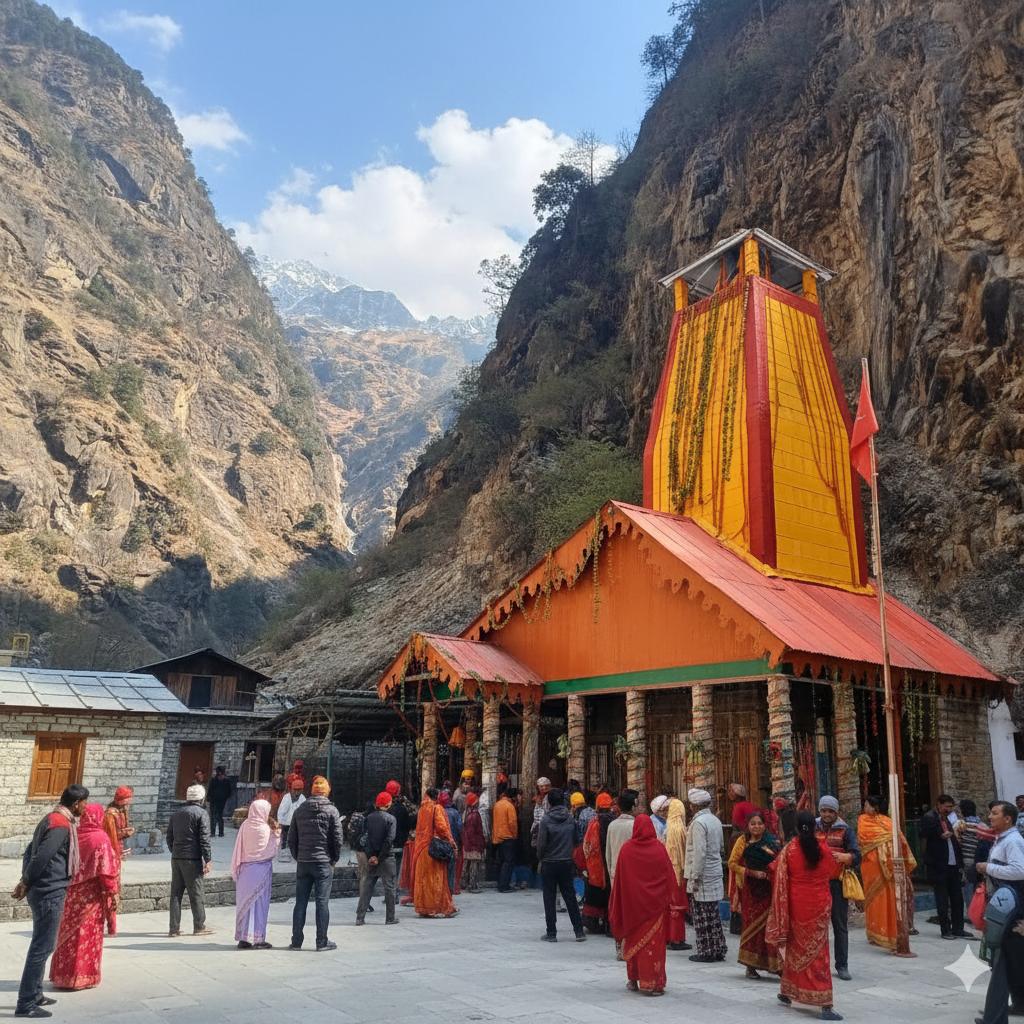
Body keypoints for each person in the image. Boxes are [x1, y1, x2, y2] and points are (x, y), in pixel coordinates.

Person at [13, 784, 89, 1019]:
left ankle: (35, 993)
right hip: (49, 890)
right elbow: (41, 857)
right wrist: (26, 880)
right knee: (41, 946)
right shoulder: (61, 825)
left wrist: (26, 880)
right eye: (84, 803)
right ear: (76, 804)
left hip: (44, 888)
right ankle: (26, 1003)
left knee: (43, 944)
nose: (85, 808)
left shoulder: (52, 818)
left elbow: (29, 851)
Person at [767, 811, 843, 1021]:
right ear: (815, 826)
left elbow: (774, 869)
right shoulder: (823, 848)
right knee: (819, 952)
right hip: (819, 903)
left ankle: (787, 991)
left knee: (793, 947)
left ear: (796, 827)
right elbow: (832, 871)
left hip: (796, 902)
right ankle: (824, 1002)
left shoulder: (789, 850)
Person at [49, 803, 118, 991]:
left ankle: (61, 975)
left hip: (71, 894)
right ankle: (83, 976)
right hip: (91, 896)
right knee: (87, 935)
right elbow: (106, 871)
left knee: (67, 934)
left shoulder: (74, 834)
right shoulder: (101, 838)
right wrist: (112, 891)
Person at [609, 815, 677, 996]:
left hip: (632, 907)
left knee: (632, 941)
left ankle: (633, 980)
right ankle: (652, 983)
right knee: (653, 945)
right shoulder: (659, 849)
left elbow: (620, 882)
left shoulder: (626, 850)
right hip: (655, 907)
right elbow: (669, 876)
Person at [975, 800, 1024, 1024]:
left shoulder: (1013, 841)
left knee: (1003, 960)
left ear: (1008, 819)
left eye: (995, 814)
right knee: (1008, 959)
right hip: (1005, 905)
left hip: (1012, 908)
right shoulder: (1001, 839)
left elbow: (1019, 871)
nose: (990, 817)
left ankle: (995, 1017)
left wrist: (988, 867)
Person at [288, 775, 342, 951]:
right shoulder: (332, 811)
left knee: (300, 902)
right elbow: (337, 839)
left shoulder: (300, 810)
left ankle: (296, 941)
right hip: (323, 862)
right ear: (327, 791)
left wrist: (299, 856)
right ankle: (321, 941)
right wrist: (333, 859)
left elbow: (291, 839)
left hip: (303, 862)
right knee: (322, 902)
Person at [857, 794, 917, 952]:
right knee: (873, 900)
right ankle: (874, 933)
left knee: (890, 899)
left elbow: (899, 839)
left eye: (867, 805)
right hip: (872, 867)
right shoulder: (863, 820)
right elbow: (864, 839)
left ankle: (891, 933)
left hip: (890, 867)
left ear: (873, 807)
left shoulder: (887, 821)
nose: (865, 808)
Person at [728, 811, 781, 977]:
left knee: (770, 927)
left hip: (769, 888)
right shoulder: (742, 841)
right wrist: (750, 872)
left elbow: (779, 861)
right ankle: (750, 965)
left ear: (764, 825)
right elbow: (732, 863)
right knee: (752, 927)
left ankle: (776, 965)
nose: (756, 826)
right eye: (753, 824)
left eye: (759, 823)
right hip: (750, 890)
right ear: (748, 826)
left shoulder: (771, 843)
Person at [815, 796, 859, 979]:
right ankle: (818, 965)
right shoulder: (813, 827)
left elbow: (856, 854)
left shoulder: (846, 830)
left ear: (836, 812)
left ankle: (842, 965)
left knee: (839, 925)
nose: (826, 814)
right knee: (817, 926)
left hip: (837, 883)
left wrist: (847, 858)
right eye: (823, 811)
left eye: (830, 811)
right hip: (816, 884)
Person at [920, 793, 974, 940]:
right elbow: (924, 837)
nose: (949, 809)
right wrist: (939, 837)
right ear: (939, 804)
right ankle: (946, 929)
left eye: (951, 807)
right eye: (947, 806)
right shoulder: (930, 817)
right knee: (942, 898)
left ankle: (958, 928)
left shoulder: (948, 818)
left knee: (957, 898)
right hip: (939, 864)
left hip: (952, 863)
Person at [537, 788, 586, 942]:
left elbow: (541, 844)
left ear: (550, 802)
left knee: (549, 897)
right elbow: (577, 839)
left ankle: (551, 933)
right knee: (570, 897)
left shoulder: (545, 820)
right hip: (566, 862)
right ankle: (579, 931)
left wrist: (541, 858)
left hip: (550, 863)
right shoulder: (571, 818)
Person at [685, 788, 727, 963]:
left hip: (702, 875)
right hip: (714, 872)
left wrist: (695, 877)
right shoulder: (715, 820)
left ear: (694, 805)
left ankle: (707, 950)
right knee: (713, 914)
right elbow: (721, 847)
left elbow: (699, 853)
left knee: (702, 915)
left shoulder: (699, 823)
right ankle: (718, 947)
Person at [231, 798, 280, 949]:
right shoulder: (267, 829)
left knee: (245, 904)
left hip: (245, 871)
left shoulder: (245, 826)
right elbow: (273, 851)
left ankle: (243, 939)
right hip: (261, 871)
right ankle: (258, 939)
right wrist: (277, 835)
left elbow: (239, 846)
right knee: (259, 905)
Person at [166, 784, 213, 938]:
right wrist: (208, 859)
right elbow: (204, 838)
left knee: (176, 894)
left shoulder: (176, 814)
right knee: (196, 893)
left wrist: (176, 851)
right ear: (202, 798)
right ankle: (199, 926)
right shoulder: (202, 813)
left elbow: (169, 838)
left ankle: (174, 929)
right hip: (192, 859)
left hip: (177, 857)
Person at [413, 787, 457, 917]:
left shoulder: (421, 809)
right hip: (433, 849)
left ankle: (423, 908)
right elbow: (442, 827)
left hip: (421, 849)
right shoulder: (436, 808)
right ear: (436, 797)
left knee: (423, 880)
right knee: (436, 880)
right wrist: (451, 841)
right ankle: (436, 907)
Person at [357, 792, 398, 925]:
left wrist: (371, 856)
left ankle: (360, 917)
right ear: (388, 804)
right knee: (390, 888)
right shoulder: (391, 819)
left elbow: (365, 839)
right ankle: (390, 918)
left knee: (367, 887)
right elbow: (389, 840)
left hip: (372, 858)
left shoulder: (368, 818)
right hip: (386, 858)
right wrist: (380, 857)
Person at [101, 786, 134, 936]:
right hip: (111, 855)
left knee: (115, 889)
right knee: (110, 889)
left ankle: (112, 925)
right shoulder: (110, 814)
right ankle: (110, 925)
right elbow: (111, 836)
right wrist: (124, 834)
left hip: (117, 854)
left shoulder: (121, 811)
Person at [581, 792, 615, 934]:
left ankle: (594, 923)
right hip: (612, 865)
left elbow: (588, 846)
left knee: (595, 895)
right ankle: (610, 924)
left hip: (597, 868)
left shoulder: (594, 823)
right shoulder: (615, 821)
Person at [663, 797, 691, 951]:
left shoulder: (668, 827)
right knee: (678, 907)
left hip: (668, 870)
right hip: (678, 870)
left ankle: (667, 936)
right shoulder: (680, 828)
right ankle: (677, 939)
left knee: (669, 906)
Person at [606, 789, 638, 886]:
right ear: (633, 807)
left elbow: (608, 854)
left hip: (615, 873)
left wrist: (611, 872)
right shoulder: (635, 825)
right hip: (632, 874)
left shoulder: (612, 825)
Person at [492, 784, 518, 892]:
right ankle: (504, 886)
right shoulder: (509, 806)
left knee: (501, 861)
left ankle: (500, 883)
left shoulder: (497, 804)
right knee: (508, 862)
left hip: (498, 837)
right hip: (508, 837)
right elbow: (512, 822)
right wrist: (515, 834)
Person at [276, 776, 305, 861]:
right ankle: (284, 855)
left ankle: (295, 854)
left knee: (296, 839)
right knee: (285, 839)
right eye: (295, 789)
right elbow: (281, 811)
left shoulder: (303, 798)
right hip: (286, 824)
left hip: (297, 824)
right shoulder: (287, 798)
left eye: (299, 790)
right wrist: (280, 822)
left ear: (302, 790)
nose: (296, 791)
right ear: (291, 789)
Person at [438, 790, 462, 895]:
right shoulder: (455, 813)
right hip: (452, 842)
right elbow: (460, 827)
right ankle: (450, 889)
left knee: (440, 866)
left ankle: (441, 888)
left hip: (439, 843)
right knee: (451, 867)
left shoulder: (437, 811)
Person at [462, 792, 486, 893]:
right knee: (474, 865)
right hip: (474, 844)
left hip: (468, 843)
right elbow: (474, 832)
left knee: (467, 865)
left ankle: (465, 884)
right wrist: (479, 844)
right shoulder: (474, 815)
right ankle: (473, 885)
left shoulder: (466, 813)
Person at [208, 766, 233, 839]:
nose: (220, 775)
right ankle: (214, 832)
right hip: (214, 800)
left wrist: (224, 797)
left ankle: (220, 832)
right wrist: (209, 798)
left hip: (221, 801)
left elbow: (229, 792)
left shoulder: (226, 781)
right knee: (213, 816)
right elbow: (210, 790)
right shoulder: (214, 780)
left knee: (218, 816)